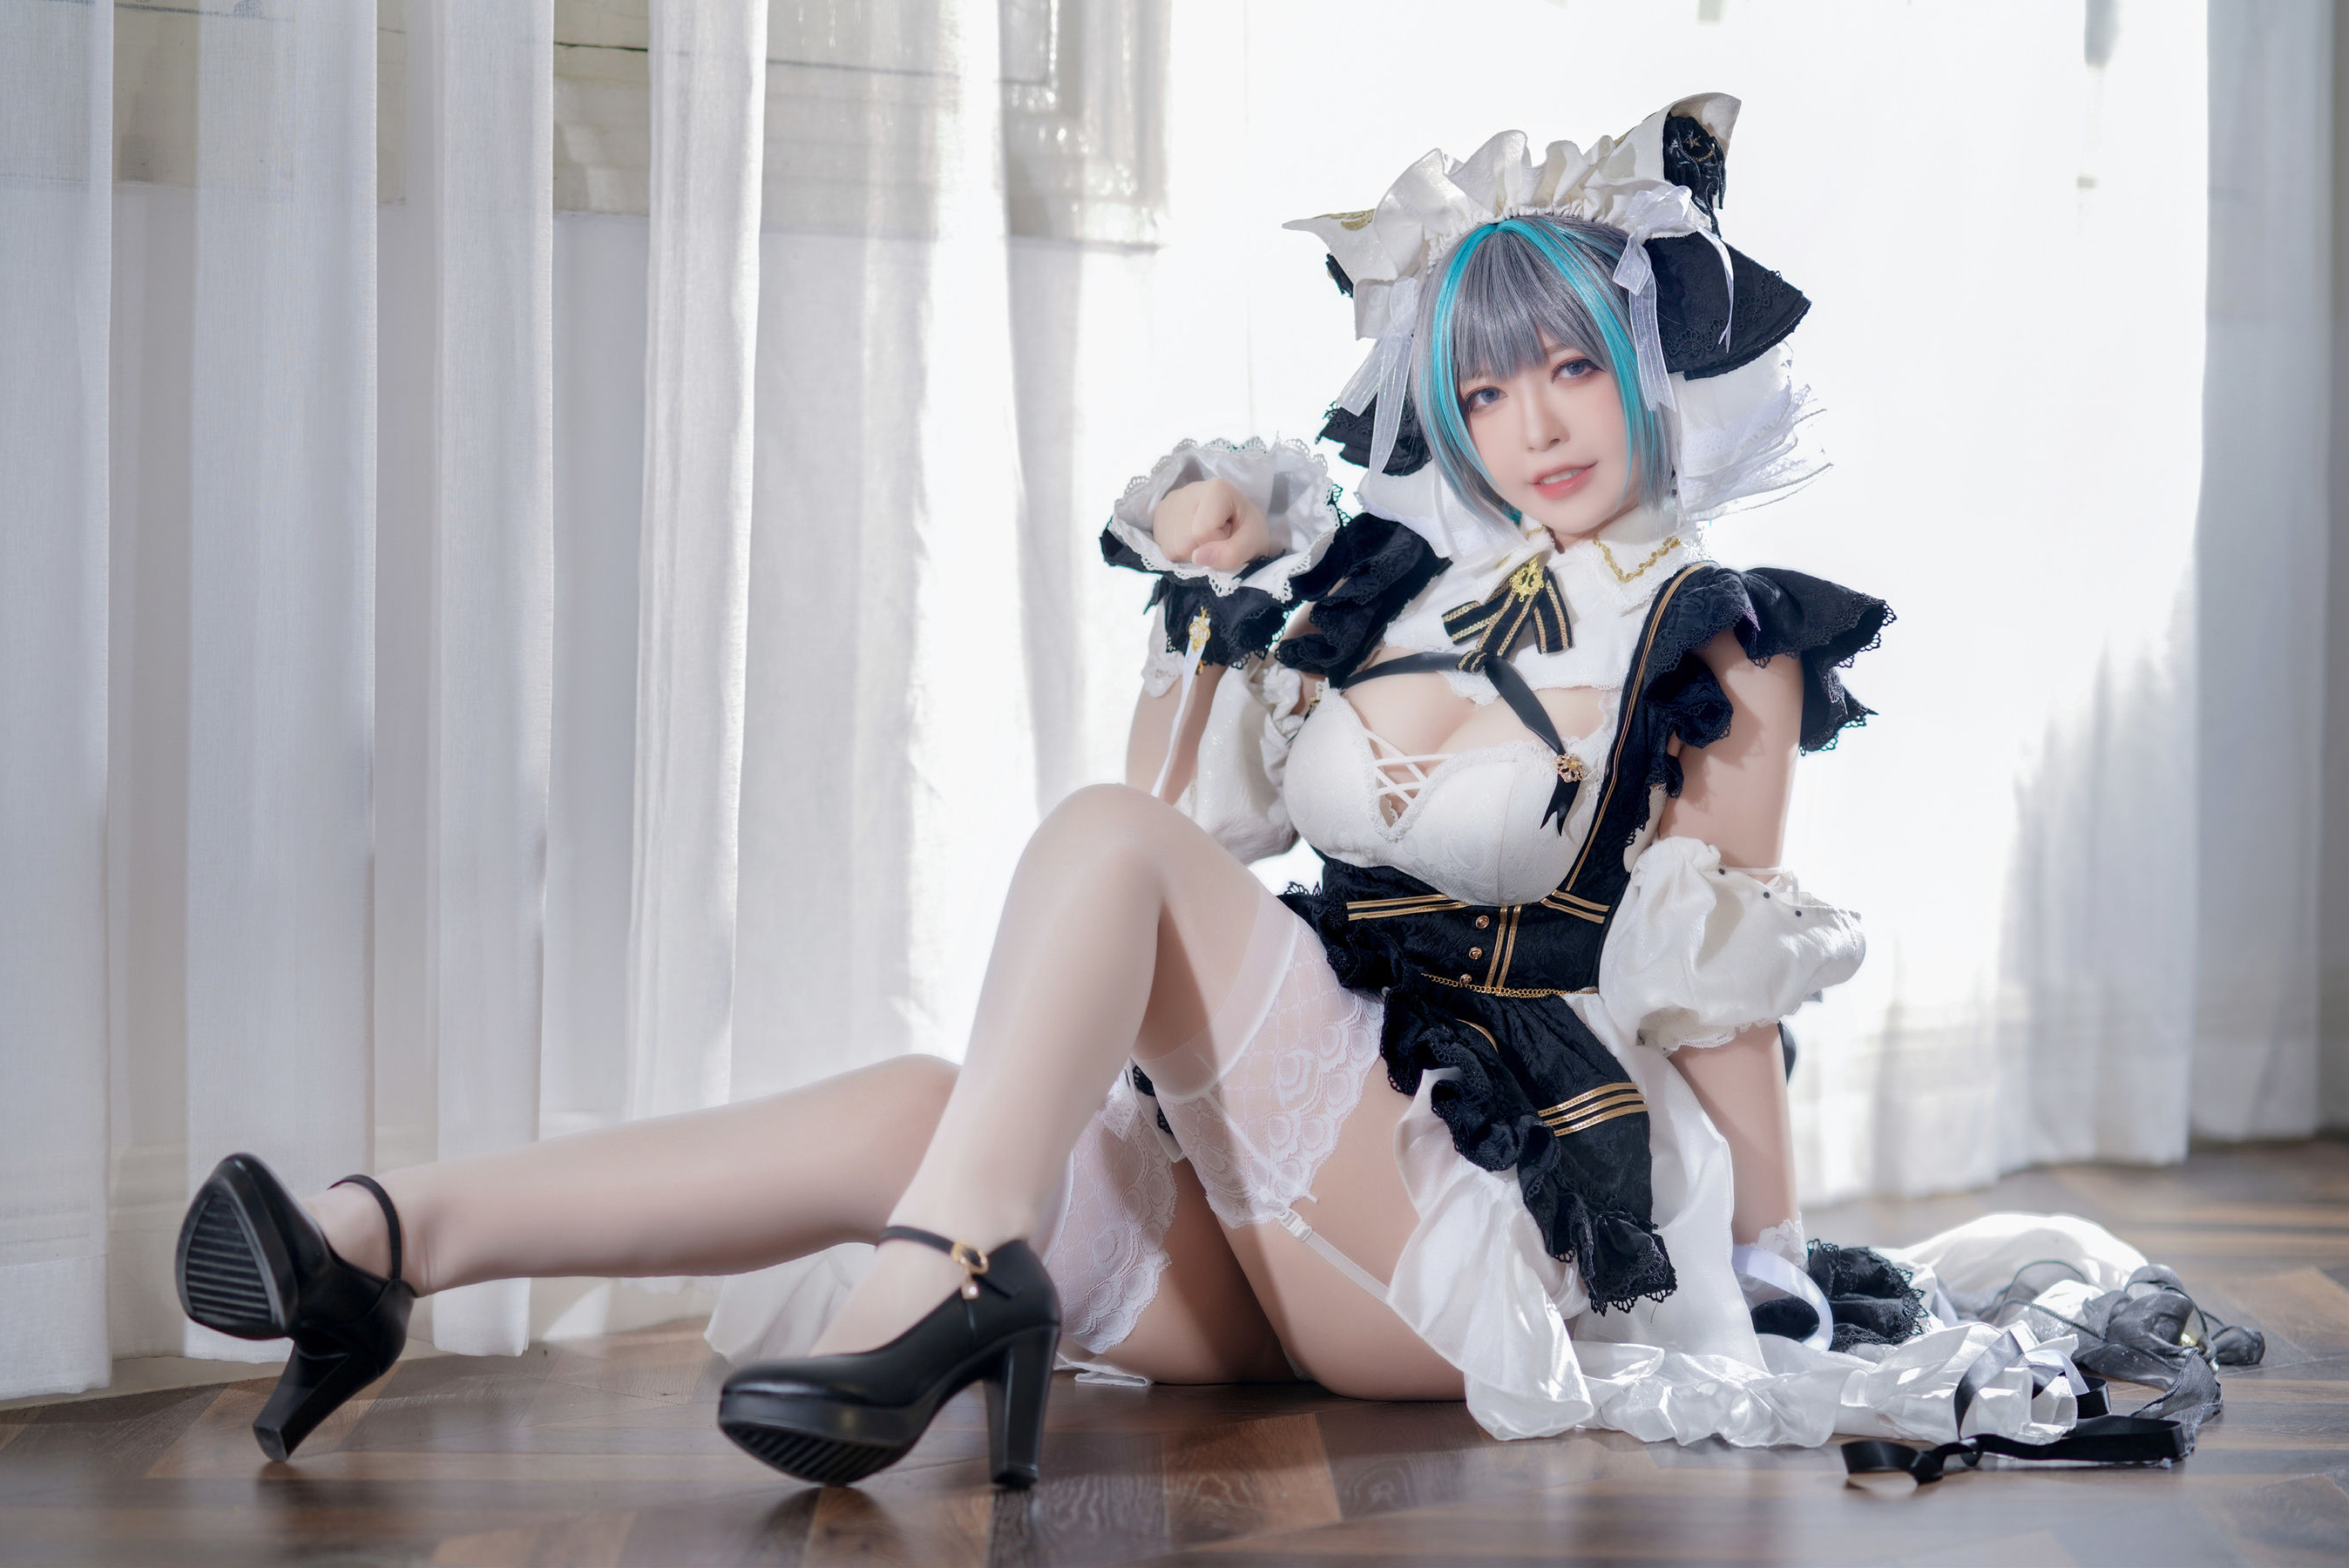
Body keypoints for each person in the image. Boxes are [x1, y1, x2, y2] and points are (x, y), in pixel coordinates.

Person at [173, 96, 2229, 1490]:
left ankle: (946, 1282)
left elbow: (1716, 988)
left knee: (1088, 891)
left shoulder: (1721, 630)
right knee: (931, 1107)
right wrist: (1223, 597)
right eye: (1485, 385)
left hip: (1494, 1227)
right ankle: (385, 1242)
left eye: (1569, 367)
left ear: (1641, 359)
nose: (1532, 423)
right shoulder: (1398, 589)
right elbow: (1205, 833)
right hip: (1296, 1216)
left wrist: (1755, 1269)